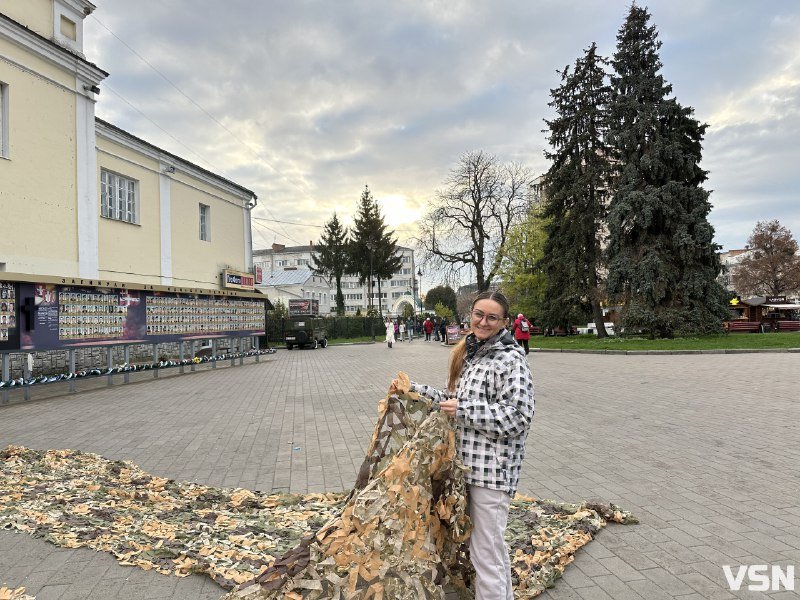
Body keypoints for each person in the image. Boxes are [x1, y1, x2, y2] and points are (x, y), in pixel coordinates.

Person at [395, 291, 534, 600]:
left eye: (492, 317)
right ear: (470, 315)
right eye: (479, 315)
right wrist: (413, 389)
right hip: (466, 468)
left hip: (492, 473)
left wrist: (465, 410)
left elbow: (519, 417)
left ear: (504, 322)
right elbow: (452, 401)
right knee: (485, 549)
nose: (483, 321)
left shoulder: (510, 359)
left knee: (486, 553)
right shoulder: (471, 352)